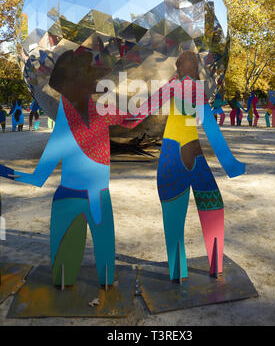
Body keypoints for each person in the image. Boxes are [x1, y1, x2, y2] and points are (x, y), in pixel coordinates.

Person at [0, 49, 147, 287]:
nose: (96, 82)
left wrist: (169, 91)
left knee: (98, 275)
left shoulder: (96, 113)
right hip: (81, 201)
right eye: (89, 76)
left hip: (82, 200)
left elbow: (134, 118)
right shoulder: (80, 119)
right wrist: (4, 171)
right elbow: (135, 118)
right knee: (71, 276)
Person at [157, 51, 245, 280]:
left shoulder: (175, 88)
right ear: (189, 69)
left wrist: (118, 117)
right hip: (185, 157)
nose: (196, 73)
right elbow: (211, 129)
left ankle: (181, 272)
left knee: (187, 212)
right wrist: (231, 165)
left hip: (173, 159)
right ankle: (211, 268)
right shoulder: (189, 89)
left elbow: (140, 111)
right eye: (195, 68)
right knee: (210, 206)